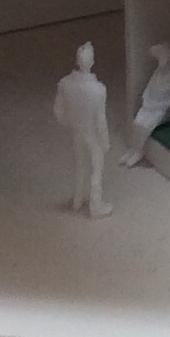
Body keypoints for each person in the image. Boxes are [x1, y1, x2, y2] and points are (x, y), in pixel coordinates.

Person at [56, 41, 113, 217]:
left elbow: (58, 112)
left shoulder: (65, 83)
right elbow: (100, 119)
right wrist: (105, 140)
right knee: (96, 167)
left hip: (76, 132)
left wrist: (71, 125)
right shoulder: (98, 89)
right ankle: (95, 204)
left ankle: (77, 199)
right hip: (91, 134)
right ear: (92, 62)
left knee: (79, 165)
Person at [120, 42, 170, 168]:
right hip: (150, 105)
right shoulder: (157, 73)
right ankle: (132, 149)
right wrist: (146, 100)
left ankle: (139, 152)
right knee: (137, 122)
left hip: (162, 110)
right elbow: (148, 90)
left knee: (146, 126)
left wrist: (159, 105)